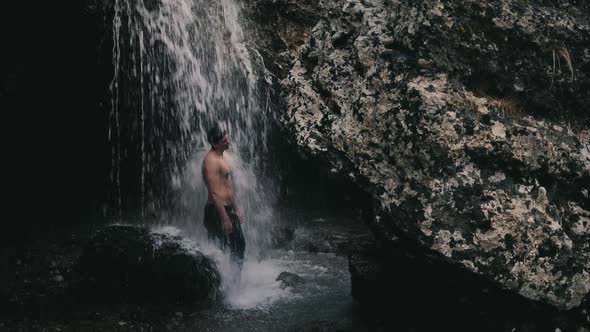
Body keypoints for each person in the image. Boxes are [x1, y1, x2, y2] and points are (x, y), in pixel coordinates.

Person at [202, 124, 246, 280]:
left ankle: (233, 285)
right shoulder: (211, 161)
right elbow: (214, 192)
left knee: (239, 245)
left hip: (227, 210)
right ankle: (216, 288)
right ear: (215, 143)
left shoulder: (222, 157)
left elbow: (227, 186)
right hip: (216, 211)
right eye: (225, 139)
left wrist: (236, 208)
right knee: (218, 251)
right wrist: (225, 218)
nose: (228, 140)